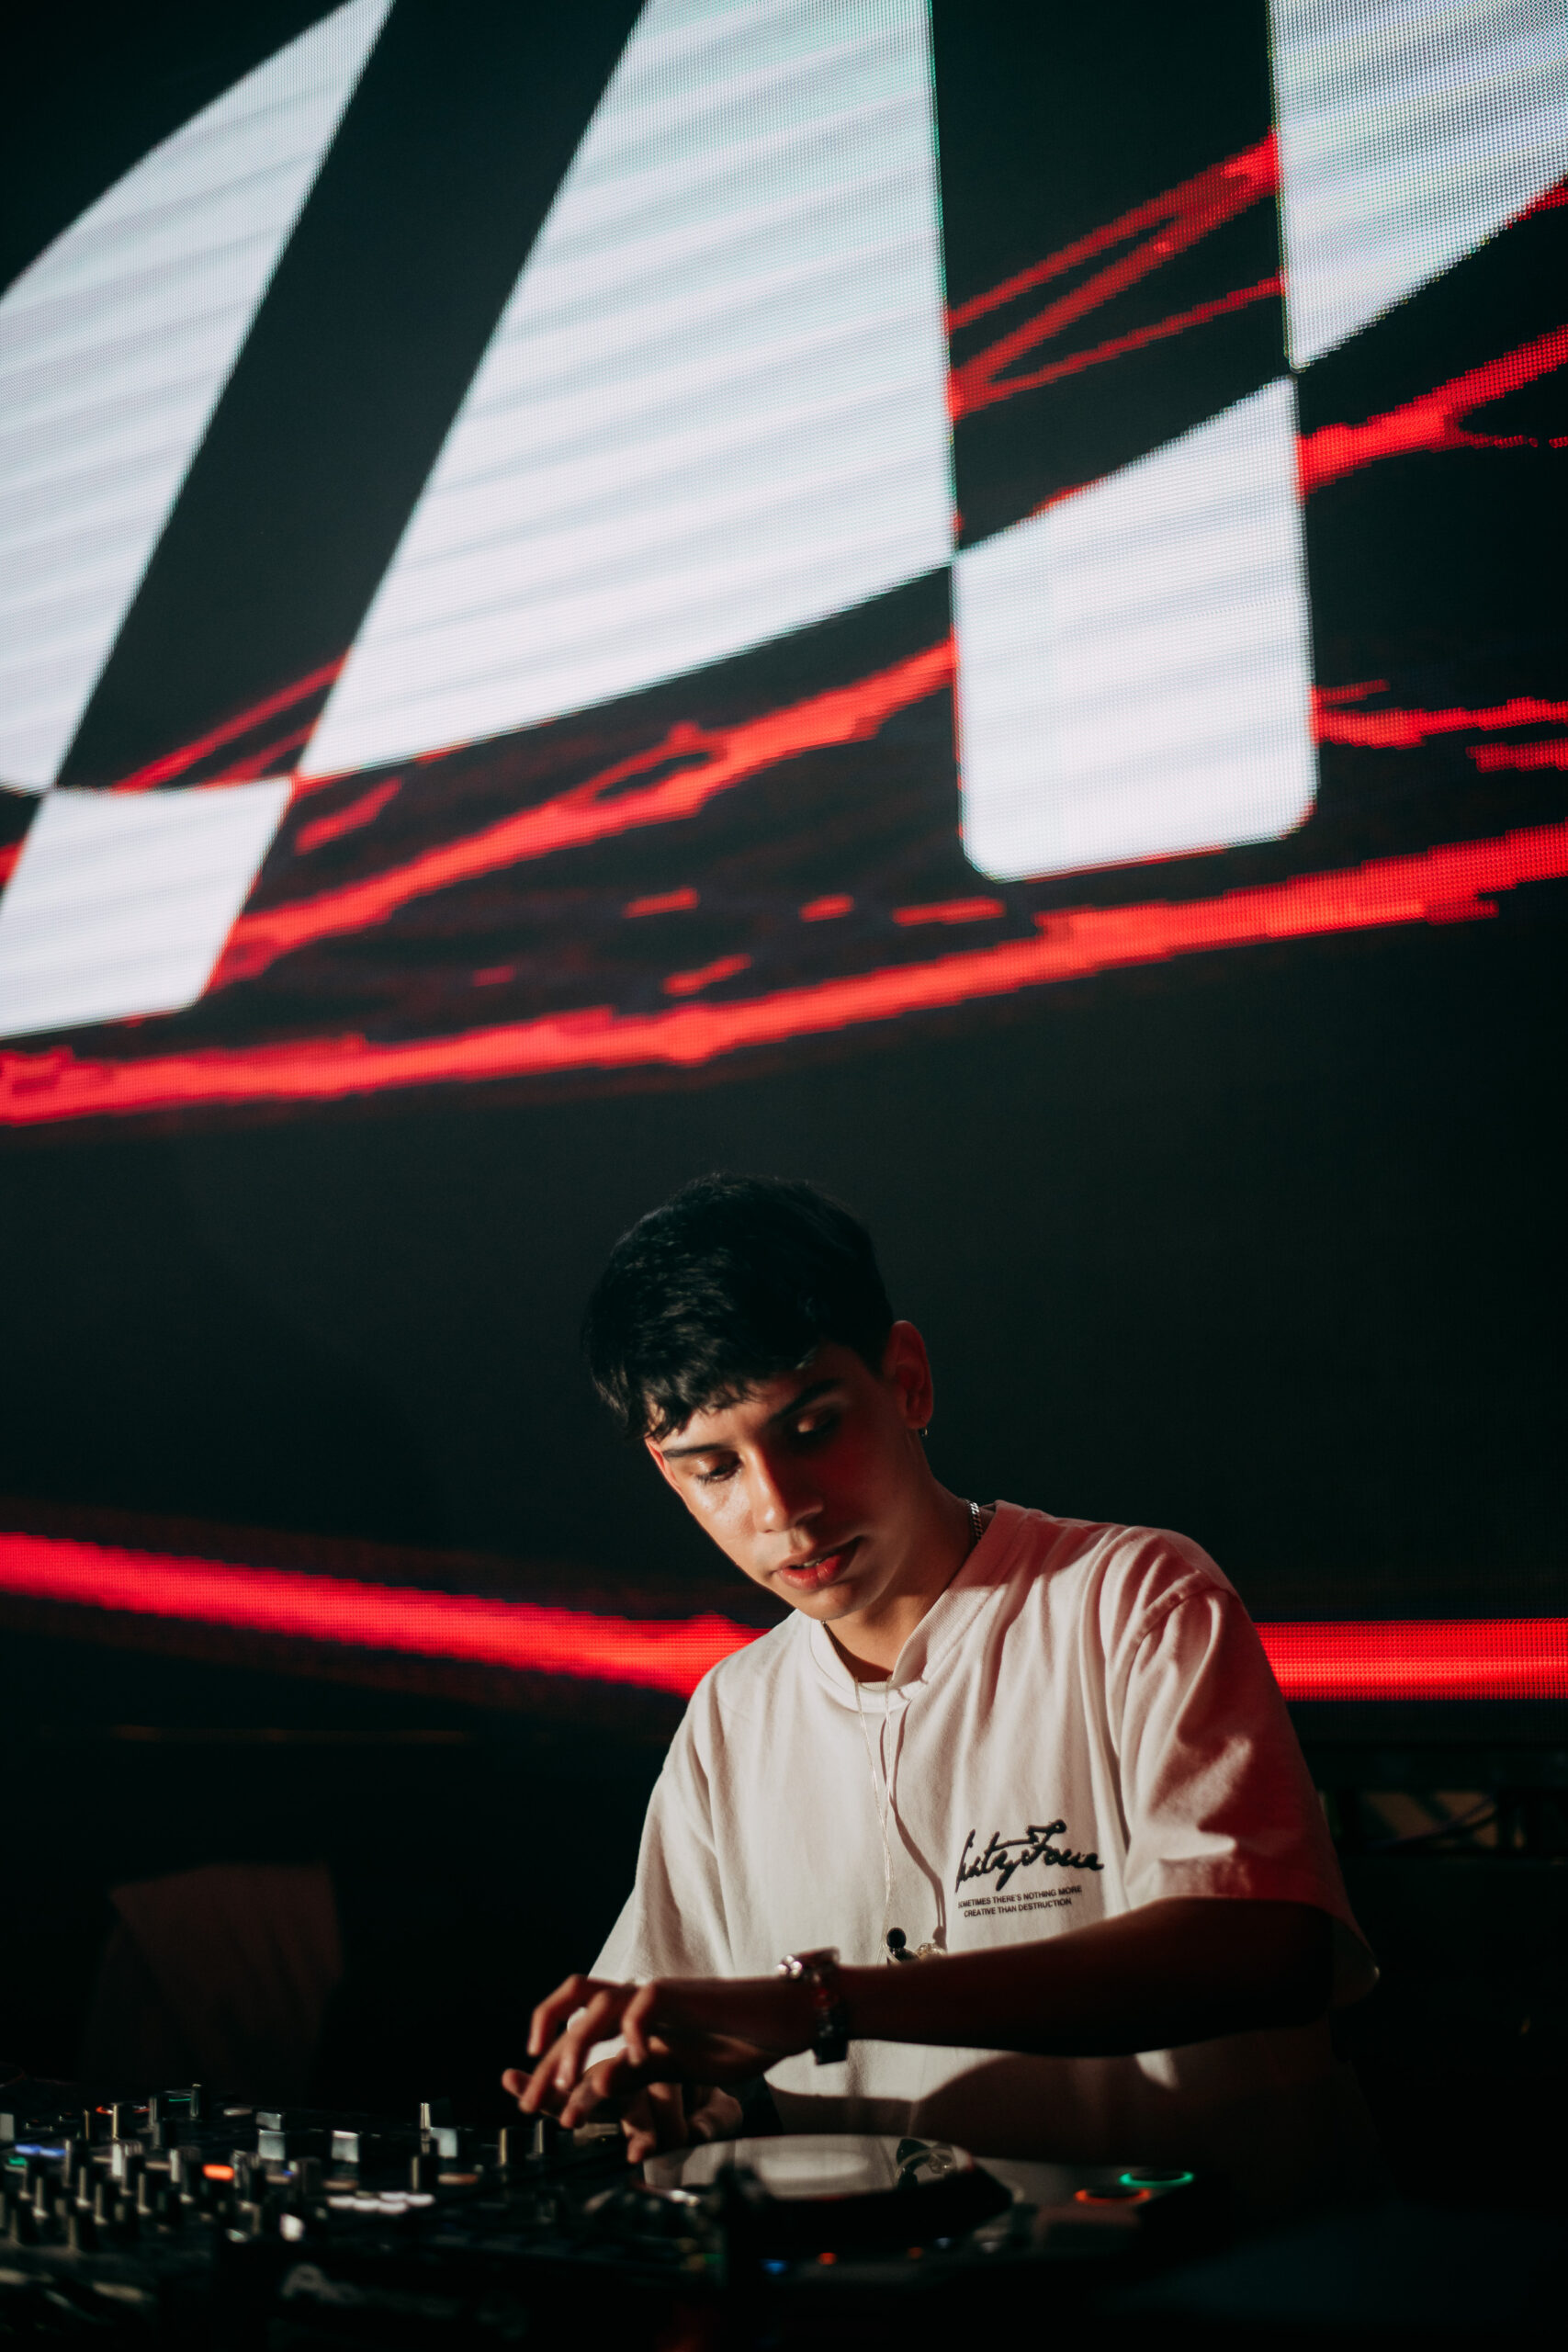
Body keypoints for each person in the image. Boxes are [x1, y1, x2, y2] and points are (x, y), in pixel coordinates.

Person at [504, 1175, 1380, 2214]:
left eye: (811, 1428)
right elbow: (683, 2027)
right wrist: (673, 2099)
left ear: (908, 1382)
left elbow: (1263, 1948)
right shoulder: (732, 1716)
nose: (781, 1508)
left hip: (1210, 2271)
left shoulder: (1132, 1597)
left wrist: (820, 2005)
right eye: (714, 1469)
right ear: (667, 1472)